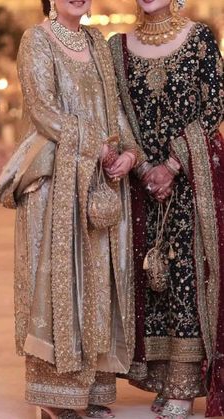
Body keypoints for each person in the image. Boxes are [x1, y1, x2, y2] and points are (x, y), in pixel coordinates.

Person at [0, 1, 147, 418]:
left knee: (97, 281)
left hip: (96, 180)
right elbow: (44, 110)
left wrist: (127, 152)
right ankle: (53, 398)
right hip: (54, 184)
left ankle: (90, 393)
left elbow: (114, 108)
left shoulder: (96, 41)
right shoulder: (37, 40)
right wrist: (96, 145)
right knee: (58, 283)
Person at [109, 0, 224, 418]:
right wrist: (143, 167)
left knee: (186, 274)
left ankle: (184, 385)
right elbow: (115, 115)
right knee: (146, 276)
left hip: (192, 180)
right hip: (139, 183)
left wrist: (173, 165)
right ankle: (159, 378)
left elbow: (214, 106)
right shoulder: (116, 47)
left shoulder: (197, 39)